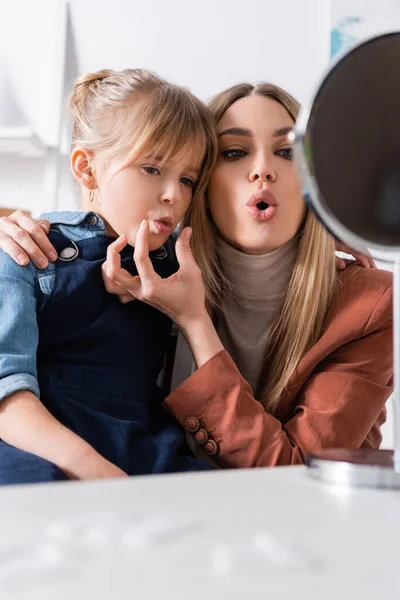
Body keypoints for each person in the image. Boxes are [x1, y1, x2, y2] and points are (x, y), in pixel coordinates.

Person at [0, 82, 391, 469]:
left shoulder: (370, 306)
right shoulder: (151, 264)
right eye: (235, 152)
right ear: (205, 186)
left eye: (286, 152)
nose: (262, 171)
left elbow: (294, 476)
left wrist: (193, 320)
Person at [0, 68, 217, 485]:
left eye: (187, 179)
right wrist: (94, 471)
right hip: (43, 450)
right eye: (152, 168)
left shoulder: (181, 266)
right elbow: (7, 393)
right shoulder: (25, 251)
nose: (174, 194)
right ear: (87, 169)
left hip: (146, 450)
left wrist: (329, 249)